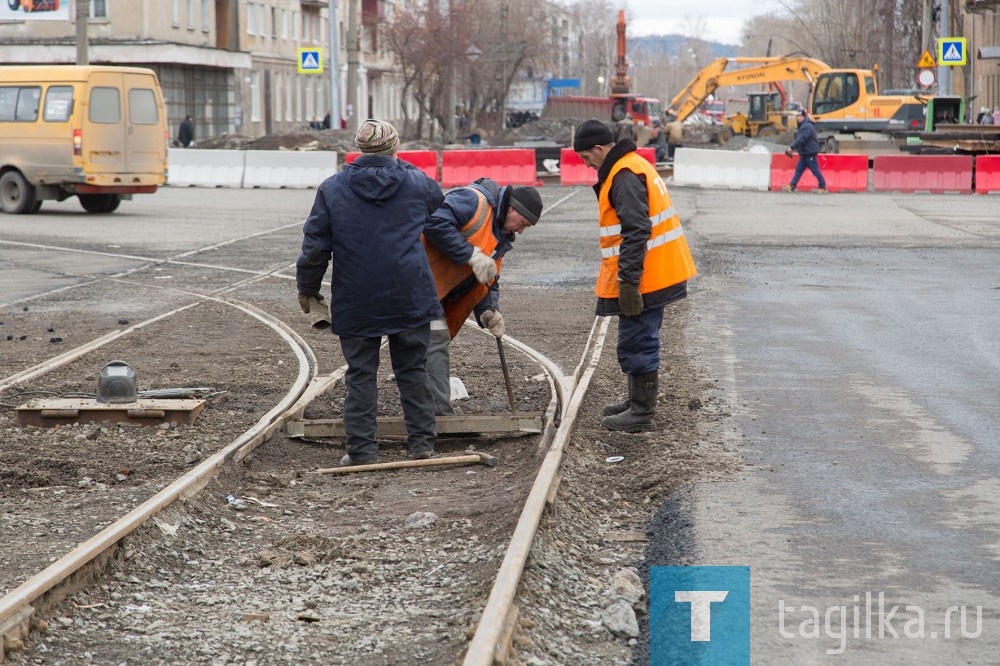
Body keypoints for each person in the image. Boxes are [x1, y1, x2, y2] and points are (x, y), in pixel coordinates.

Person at [295, 119, 492, 466]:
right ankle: (421, 445)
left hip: (357, 297)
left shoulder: (331, 189)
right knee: (413, 370)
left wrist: (308, 291)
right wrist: (471, 258)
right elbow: (441, 226)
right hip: (410, 294)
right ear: (394, 148)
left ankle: (362, 452)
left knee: (360, 374)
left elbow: (315, 248)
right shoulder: (419, 183)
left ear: (359, 149)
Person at [572, 119, 697, 433]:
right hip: (654, 270)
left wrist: (628, 282)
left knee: (638, 340)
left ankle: (641, 412)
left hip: (648, 275)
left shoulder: (624, 175)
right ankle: (635, 401)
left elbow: (636, 230)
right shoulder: (630, 166)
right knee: (635, 338)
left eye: (586, 156)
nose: (584, 163)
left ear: (599, 149)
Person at [421, 179, 544, 415]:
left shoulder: (500, 237)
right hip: (417, 281)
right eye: (523, 223)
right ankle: (438, 415)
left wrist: (488, 309)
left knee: (428, 346)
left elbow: (488, 278)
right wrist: (470, 255)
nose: (520, 230)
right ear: (511, 209)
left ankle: (424, 411)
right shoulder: (472, 201)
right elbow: (434, 221)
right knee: (435, 339)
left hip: (436, 291)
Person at [782, 109, 827, 193]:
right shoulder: (803, 126)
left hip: (810, 154)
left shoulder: (807, 126)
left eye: (801, 116)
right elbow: (800, 139)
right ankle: (792, 185)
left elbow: (802, 139)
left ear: (804, 117)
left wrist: (792, 147)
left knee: (815, 171)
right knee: (798, 170)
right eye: (798, 116)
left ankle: (822, 186)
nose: (799, 118)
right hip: (804, 154)